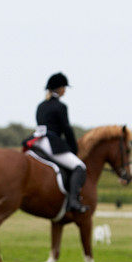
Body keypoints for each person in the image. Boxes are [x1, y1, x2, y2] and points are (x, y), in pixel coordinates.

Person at [33, 72, 88, 213]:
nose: (65, 90)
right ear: (59, 88)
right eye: (64, 87)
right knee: (79, 166)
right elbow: (67, 130)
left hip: (36, 142)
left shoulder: (41, 105)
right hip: (50, 142)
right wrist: (74, 149)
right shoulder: (60, 106)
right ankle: (73, 202)